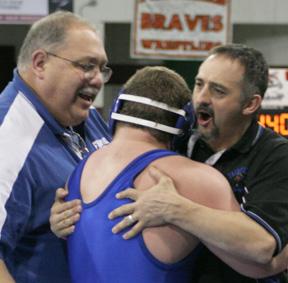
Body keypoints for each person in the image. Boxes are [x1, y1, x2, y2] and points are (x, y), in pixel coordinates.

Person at [107, 44, 288, 282]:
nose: (201, 98)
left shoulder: (276, 156)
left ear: (250, 105)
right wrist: (67, 210)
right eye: (199, 84)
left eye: (218, 91)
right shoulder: (177, 140)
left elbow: (260, 245)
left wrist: (175, 210)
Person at [64, 66, 240, 283]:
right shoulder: (197, 179)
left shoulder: (77, 172)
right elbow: (262, 261)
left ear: (117, 109)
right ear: (183, 125)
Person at [0, 11, 112, 283]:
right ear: (40, 63)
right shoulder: (9, 138)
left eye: (102, 69)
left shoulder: (83, 115)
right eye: (86, 66)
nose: (97, 79)